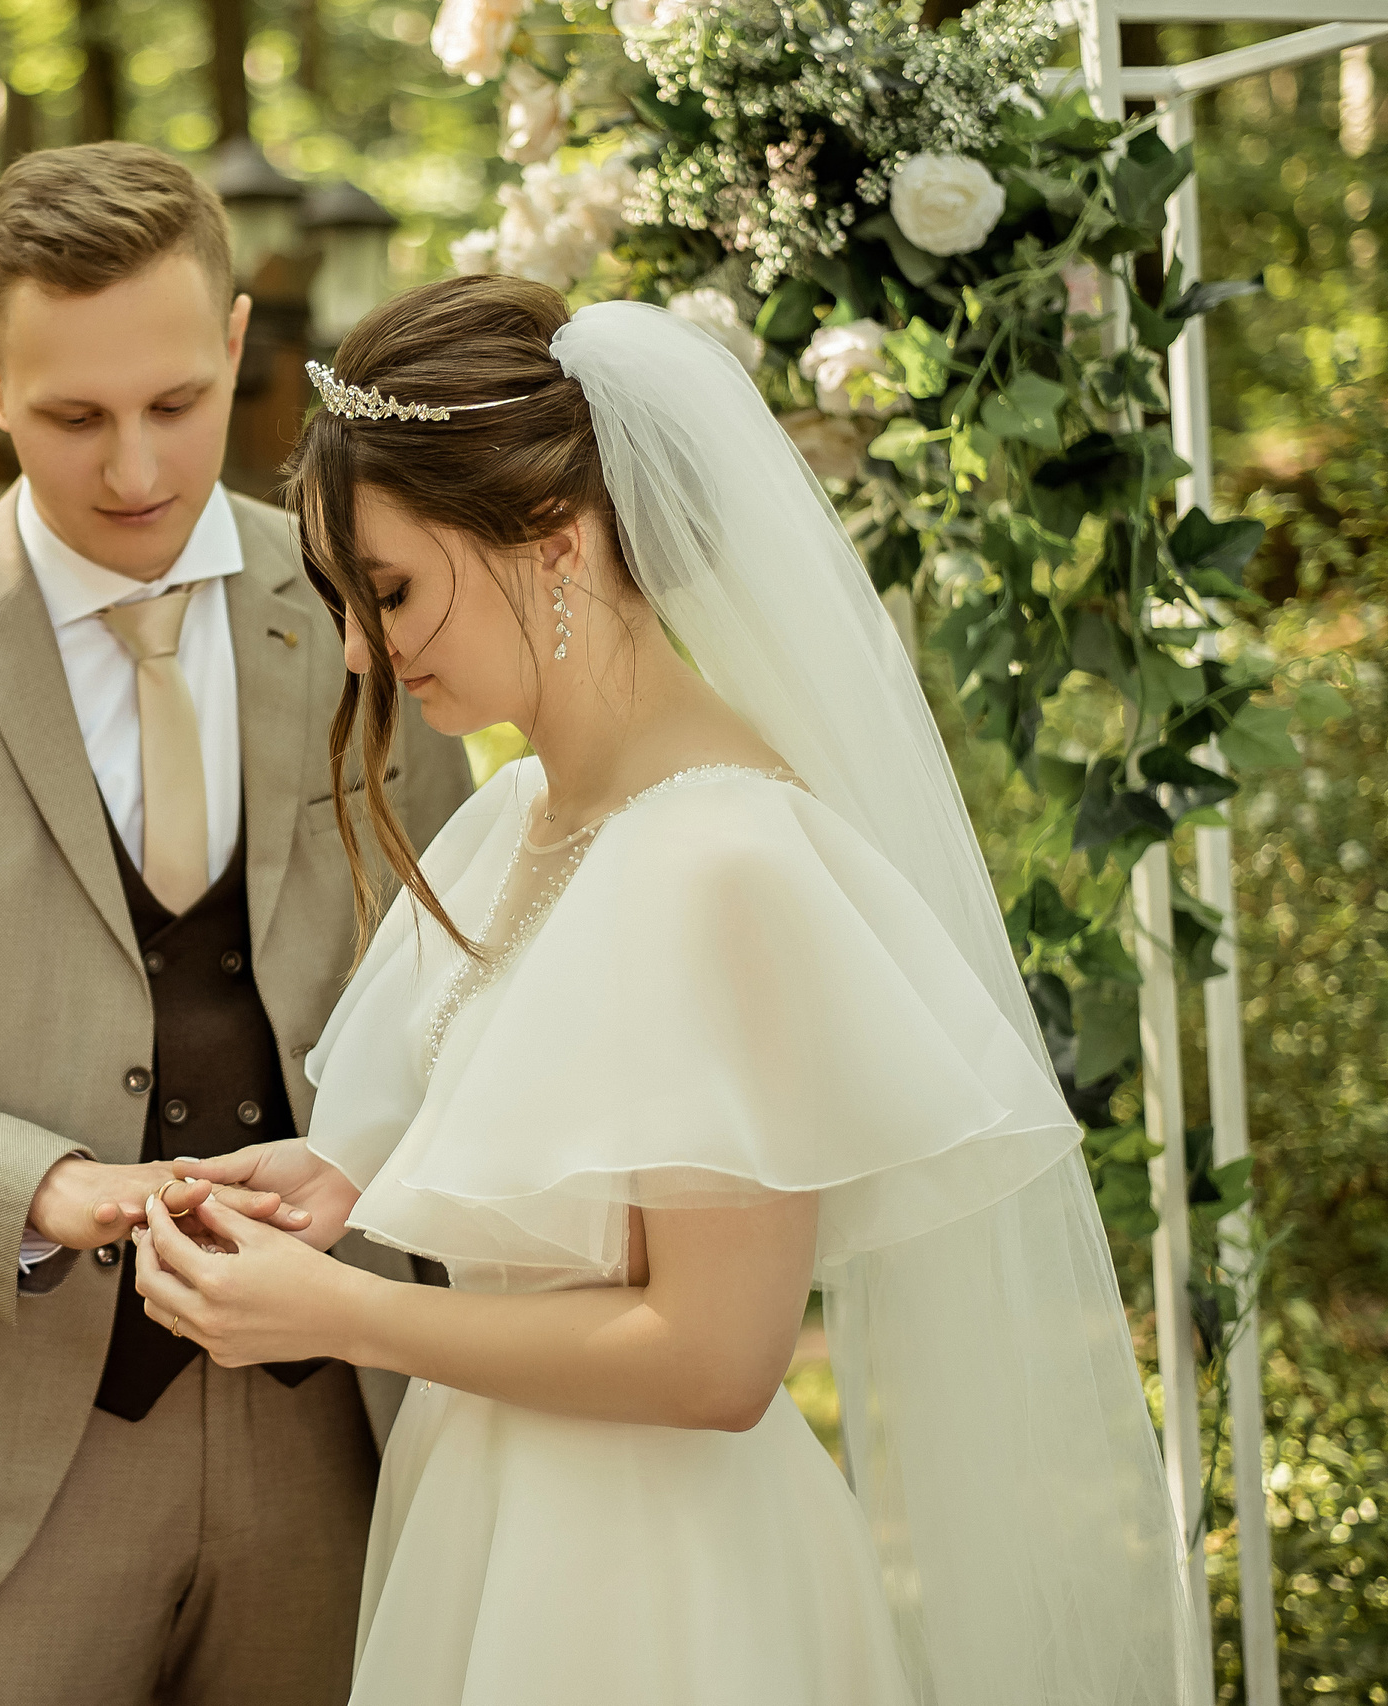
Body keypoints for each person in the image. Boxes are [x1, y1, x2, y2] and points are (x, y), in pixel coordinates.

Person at [144, 277, 1204, 1705]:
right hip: (489, 1518)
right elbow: (550, 1171)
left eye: (387, 589)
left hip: (655, 1577)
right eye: (340, 599)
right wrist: (340, 1176)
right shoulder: (515, 814)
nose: (356, 649)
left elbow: (716, 1356)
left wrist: (338, 1312)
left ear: (558, 542)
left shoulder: (722, 860)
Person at [0, 141, 474, 1706]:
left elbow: (474, 974)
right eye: (75, 417)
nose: (134, 468)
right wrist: (31, 1186)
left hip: (349, 1430)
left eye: (177, 404)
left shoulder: (366, 608)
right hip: (5, 1464)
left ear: (241, 345)